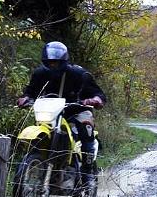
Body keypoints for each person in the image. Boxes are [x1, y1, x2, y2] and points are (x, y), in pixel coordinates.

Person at [17, 41, 106, 180]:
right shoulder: (39, 74)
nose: (53, 65)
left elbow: (98, 94)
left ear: (64, 60)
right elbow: (30, 91)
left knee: (86, 125)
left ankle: (87, 172)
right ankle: (39, 162)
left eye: (56, 62)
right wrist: (25, 98)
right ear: (45, 60)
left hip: (76, 110)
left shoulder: (78, 73)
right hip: (50, 113)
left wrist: (94, 99)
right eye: (50, 62)